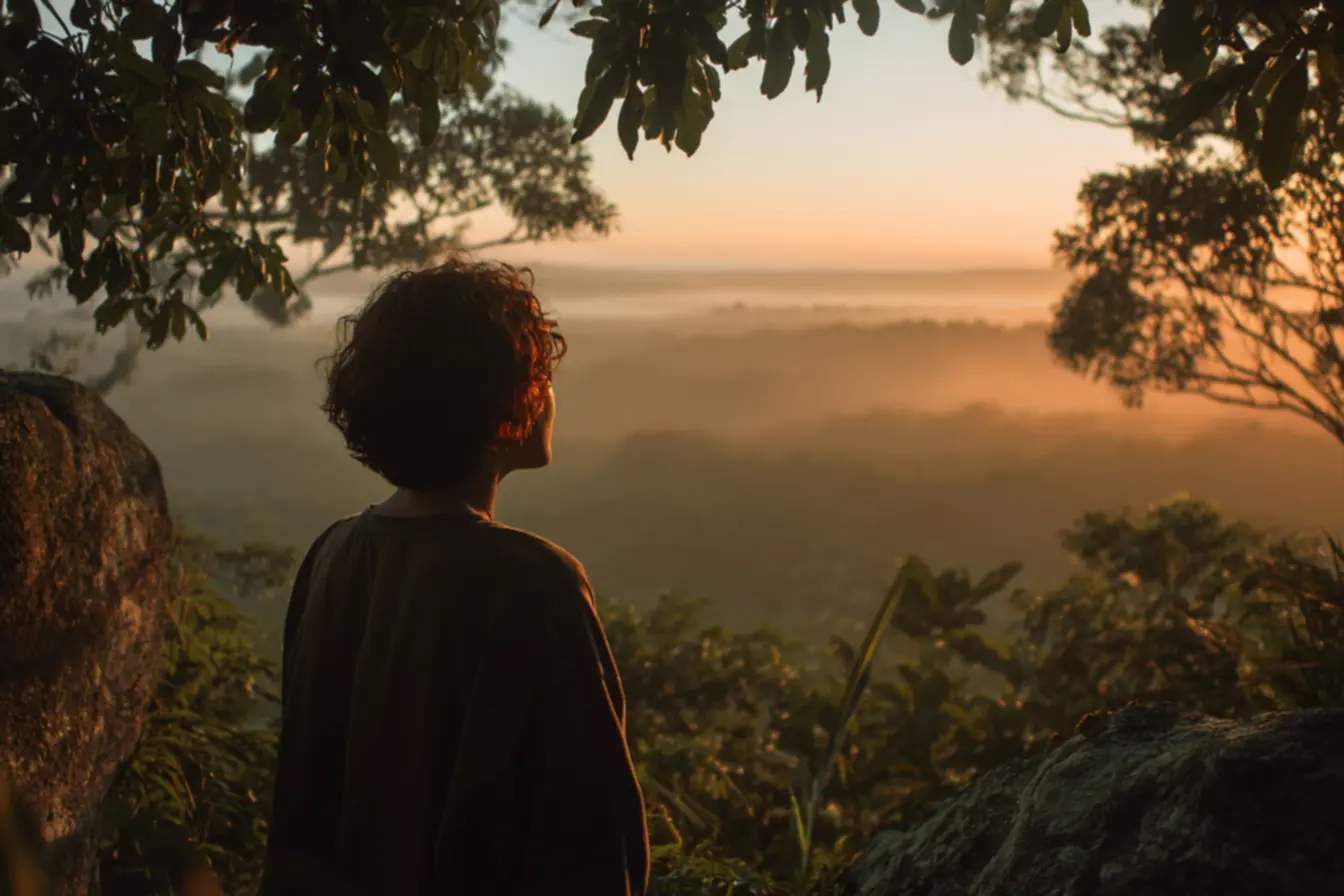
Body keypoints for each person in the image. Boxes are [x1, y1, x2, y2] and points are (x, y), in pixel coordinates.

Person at [258, 258, 650, 896]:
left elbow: (306, 797)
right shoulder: (533, 584)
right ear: (509, 402)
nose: (550, 394)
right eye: (541, 377)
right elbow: (589, 836)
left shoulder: (334, 554)